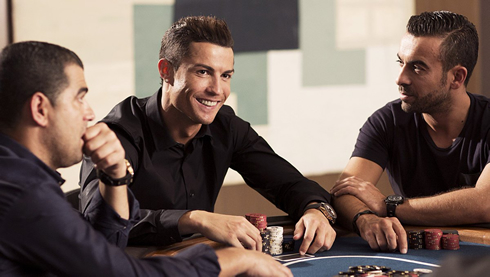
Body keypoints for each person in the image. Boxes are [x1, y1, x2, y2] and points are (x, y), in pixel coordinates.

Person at [0, 40, 292, 276]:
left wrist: (115, 177)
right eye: (79, 98)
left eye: (226, 75)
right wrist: (232, 261)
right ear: (40, 108)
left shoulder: (20, 178)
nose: (89, 113)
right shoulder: (22, 192)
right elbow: (120, 273)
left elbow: (101, 249)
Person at [79, 15, 336, 255]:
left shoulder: (227, 126)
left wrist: (315, 210)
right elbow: (98, 224)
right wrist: (195, 218)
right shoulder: (119, 133)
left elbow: (287, 184)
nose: (217, 89)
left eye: (225, 76)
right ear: (166, 70)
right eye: (203, 72)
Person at [331, 10, 487, 254]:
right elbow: (345, 192)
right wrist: (366, 219)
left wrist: (389, 207)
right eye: (400, 62)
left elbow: (485, 202)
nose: (400, 78)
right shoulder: (386, 121)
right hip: (416, 255)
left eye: (417, 68)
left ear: (457, 77)